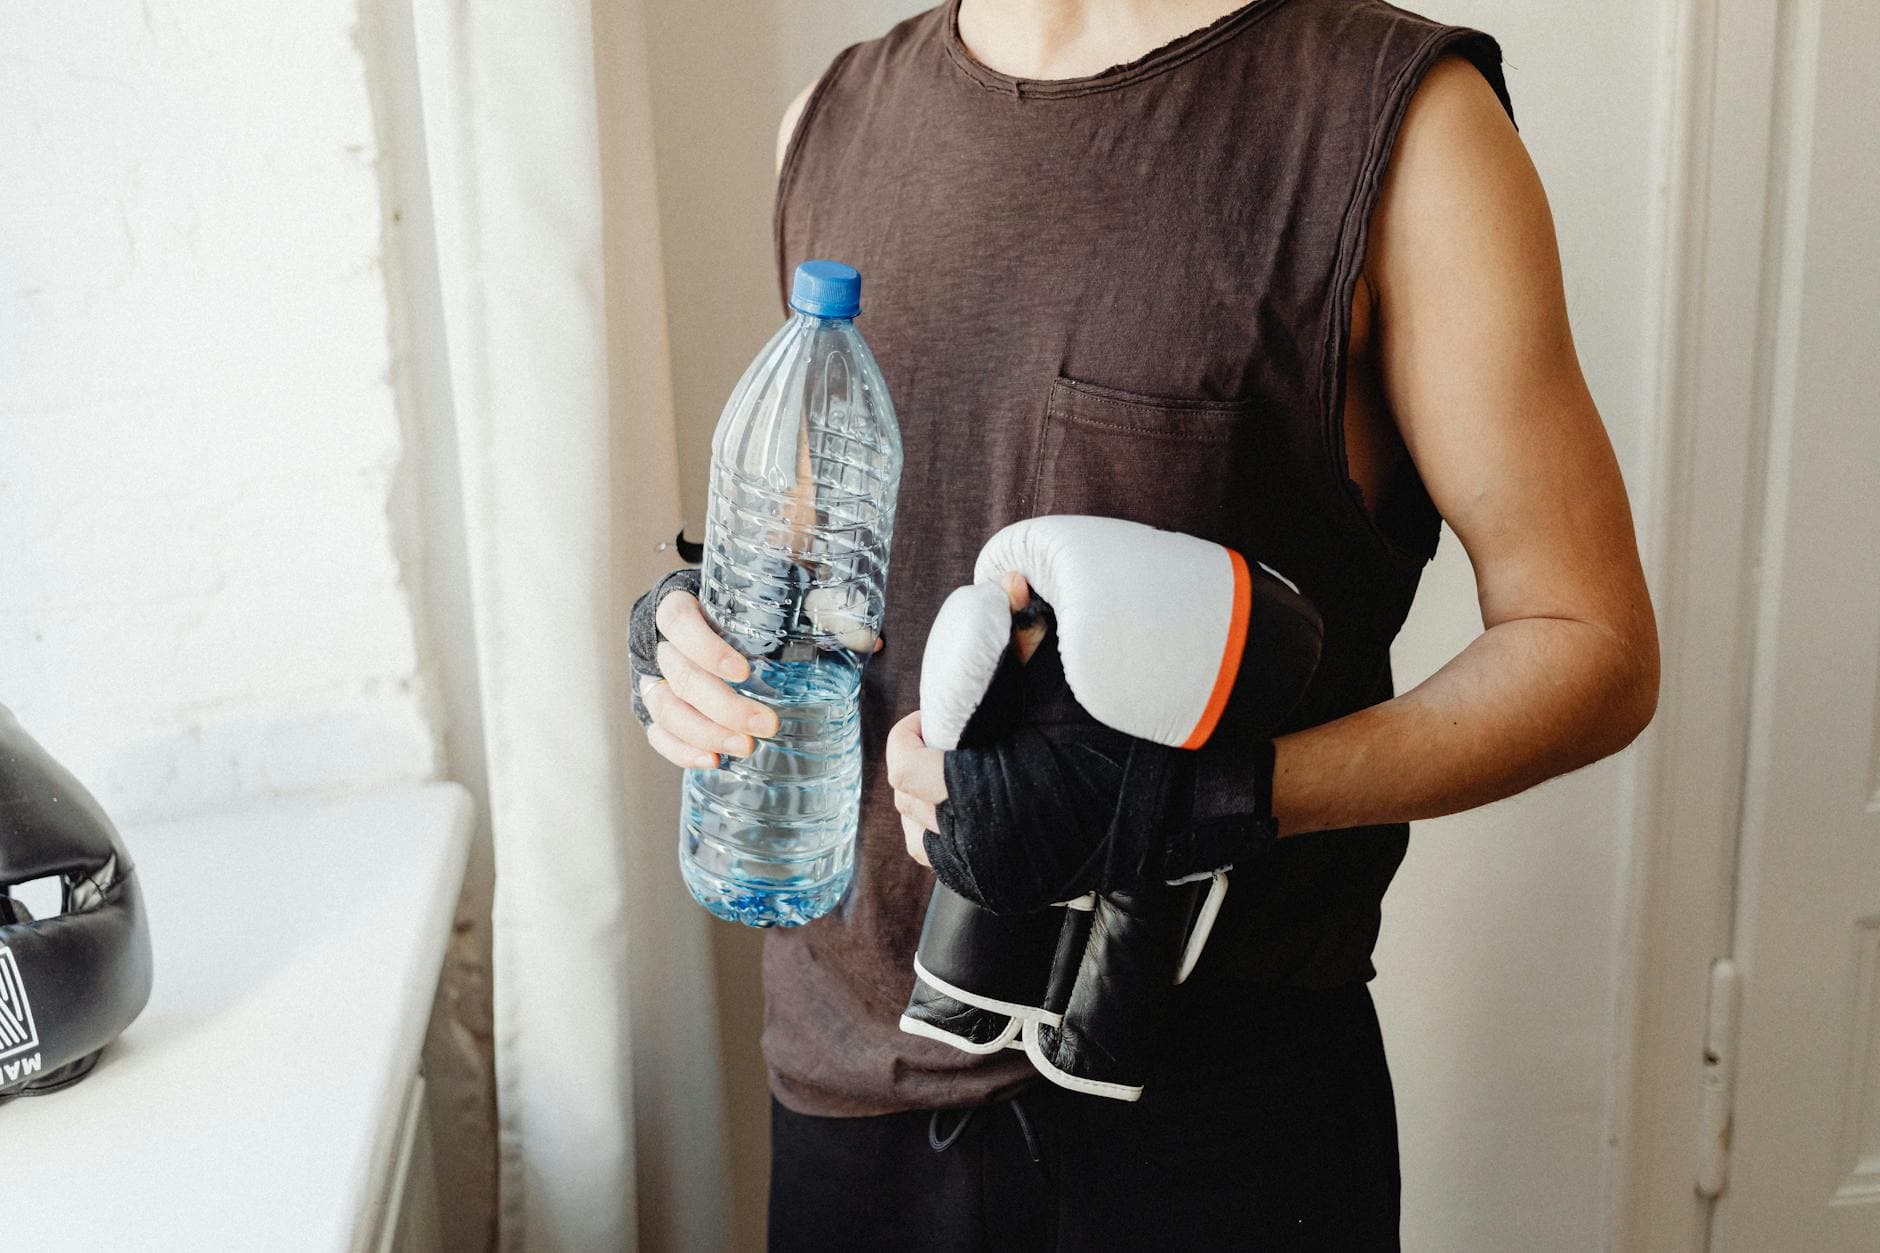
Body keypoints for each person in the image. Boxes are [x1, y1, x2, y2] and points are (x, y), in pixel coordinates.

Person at [632, 0, 1659, 1246]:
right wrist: (698, 631)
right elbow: (831, 555)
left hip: (1204, 1126)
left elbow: (1588, 641)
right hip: (848, 1084)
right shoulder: (835, 118)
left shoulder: (1400, 129)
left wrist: (1216, 797)